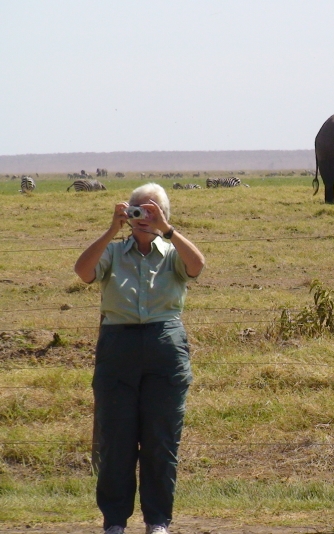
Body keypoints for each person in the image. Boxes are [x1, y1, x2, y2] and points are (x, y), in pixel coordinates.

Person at [74, 183, 205, 534]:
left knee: (161, 440)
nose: (143, 217)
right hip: (118, 344)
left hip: (165, 343)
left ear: (163, 215)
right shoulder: (114, 252)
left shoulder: (172, 252)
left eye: (151, 211)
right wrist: (110, 230)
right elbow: (83, 272)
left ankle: (157, 521)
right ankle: (115, 522)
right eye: (138, 211)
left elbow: (197, 266)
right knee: (115, 439)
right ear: (127, 213)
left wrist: (167, 230)